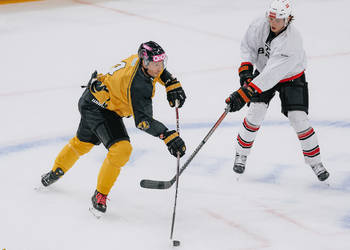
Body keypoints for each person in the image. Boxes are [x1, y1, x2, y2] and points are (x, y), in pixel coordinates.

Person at [40, 41, 187, 214]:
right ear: (145, 62)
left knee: (82, 143)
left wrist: (170, 82)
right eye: (155, 64)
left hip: (94, 99)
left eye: (162, 62)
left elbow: (159, 73)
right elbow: (143, 121)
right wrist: (167, 135)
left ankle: (55, 171)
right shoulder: (139, 86)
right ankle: (100, 194)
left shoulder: (140, 62)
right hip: (98, 108)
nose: (159, 67)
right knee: (121, 150)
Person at [225, 0, 329, 181]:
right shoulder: (259, 24)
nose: (273, 22)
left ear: (287, 19)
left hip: (291, 76)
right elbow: (248, 47)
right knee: (254, 114)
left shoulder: (292, 41)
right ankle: (241, 154)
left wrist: (244, 93)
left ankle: (315, 162)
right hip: (264, 72)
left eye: (278, 19)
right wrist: (246, 72)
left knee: (299, 119)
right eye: (271, 17)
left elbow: (272, 75)